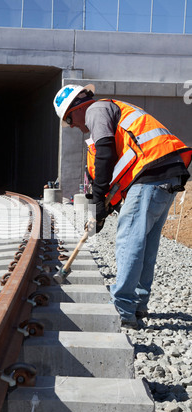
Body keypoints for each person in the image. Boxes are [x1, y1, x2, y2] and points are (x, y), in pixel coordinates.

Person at [53, 84, 191, 329]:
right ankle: (137, 304)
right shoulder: (116, 110)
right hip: (166, 173)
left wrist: (96, 201)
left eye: (69, 119)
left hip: (150, 174)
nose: (73, 126)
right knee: (146, 242)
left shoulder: (96, 110)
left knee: (129, 238)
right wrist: (103, 209)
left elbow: (105, 154)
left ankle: (122, 308)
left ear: (77, 107)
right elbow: (122, 163)